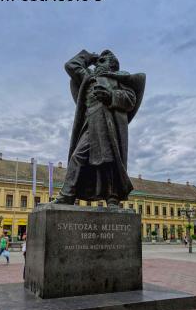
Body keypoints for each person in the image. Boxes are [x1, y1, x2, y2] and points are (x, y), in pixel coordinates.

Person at [53, 49, 146, 207]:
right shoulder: (88, 77)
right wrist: (91, 57)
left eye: (102, 61)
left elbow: (130, 99)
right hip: (90, 123)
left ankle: (112, 197)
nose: (98, 65)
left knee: (109, 160)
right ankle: (68, 194)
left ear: (112, 66)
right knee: (77, 157)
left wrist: (111, 96)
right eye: (98, 62)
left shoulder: (118, 79)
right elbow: (70, 65)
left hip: (107, 122)